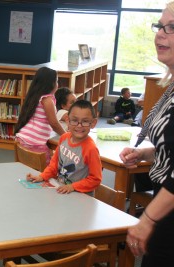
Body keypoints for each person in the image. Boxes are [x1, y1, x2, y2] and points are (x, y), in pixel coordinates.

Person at [119, 2, 174, 266]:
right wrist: (146, 152)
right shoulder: (172, 86)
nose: (160, 34)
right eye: (159, 26)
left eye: (172, 28)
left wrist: (148, 218)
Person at [26, 100, 102, 195]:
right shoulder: (64, 138)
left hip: (80, 196)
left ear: (93, 123)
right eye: (74, 120)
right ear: (67, 121)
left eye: (85, 121)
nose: (79, 126)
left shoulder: (91, 149)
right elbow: (54, 164)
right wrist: (42, 176)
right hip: (62, 190)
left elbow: (95, 179)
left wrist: (72, 186)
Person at [14, 67, 66, 164]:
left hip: (22, 138)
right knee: (50, 169)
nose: (57, 84)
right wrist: (66, 135)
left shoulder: (35, 96)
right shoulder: (47, 99)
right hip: (35, 144)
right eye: (57, 81)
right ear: (51, 83)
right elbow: (53, 123)